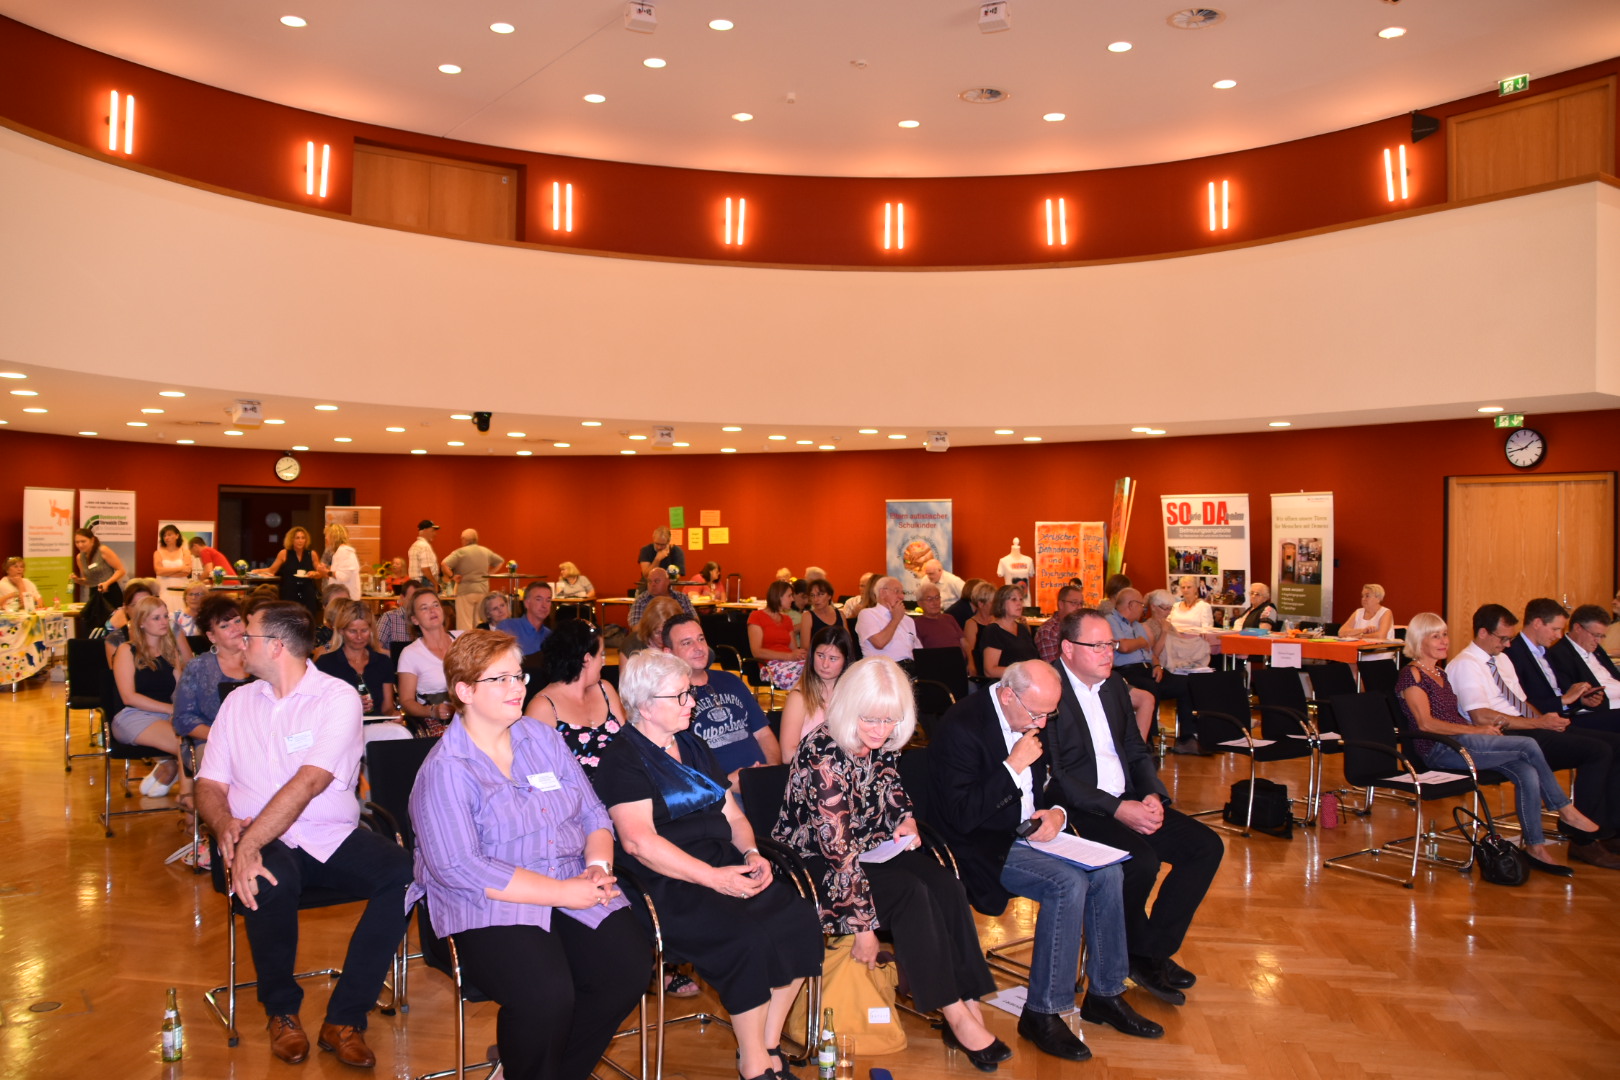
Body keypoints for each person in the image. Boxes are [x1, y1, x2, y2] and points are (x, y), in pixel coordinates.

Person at [407, 631, 651, 1080]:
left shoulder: (541, 738)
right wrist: (563, 893)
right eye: (499, 679)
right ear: (464, 691)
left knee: (627, 971)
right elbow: (461, 867)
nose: (517, 687)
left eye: (518, 676)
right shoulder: (445, 769)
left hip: (571, 878)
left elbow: (593, 811)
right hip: (488, 901)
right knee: (546, 996)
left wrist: (597, 867)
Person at [195, 601, 414, 1068]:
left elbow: (311, 782)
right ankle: (281, 1012)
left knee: (403, 874)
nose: (240, 642)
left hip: (326, 833)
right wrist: (227, 825)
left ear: (276, 646)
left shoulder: (336, 698)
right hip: (260, 837)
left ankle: (345, 1018)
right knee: (269, 879)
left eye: (248, 635)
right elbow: (208, 784)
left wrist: (250, 844)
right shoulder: (237, 703)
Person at [594, 649, 822, 1080]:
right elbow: (639, 842)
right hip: (664, 883)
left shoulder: (693, 744)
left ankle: (767, 1043)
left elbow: (731, 815)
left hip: (721, 865)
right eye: (680, 696)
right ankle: (754, 1063)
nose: (691, 703)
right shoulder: (623, 758)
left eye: (689, 693)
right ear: (645, 706)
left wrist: (751, 854)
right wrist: (714, 879)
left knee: (799, 921)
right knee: (746, 939)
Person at [774, 657, 1009, 1071]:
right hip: (812, 865)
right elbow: (838, 853)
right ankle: (954, 1013)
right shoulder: (822, 754)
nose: (881, 730)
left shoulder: (878, 740)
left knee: (946, 885)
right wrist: (863, 928)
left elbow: (891, 785)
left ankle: (970, 999)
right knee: (910, 894)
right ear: (850, 707)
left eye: (890, 720)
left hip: (865, 850)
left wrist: (905, 817)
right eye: (871, 719)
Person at [930, 661, 1161, 1062]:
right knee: (1067, 884)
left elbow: (1052, 784)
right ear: (1008, 695)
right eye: (1037, 713)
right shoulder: (961, 726)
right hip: (980, 846)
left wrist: (1057, 814)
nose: (1042, 722)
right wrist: (1011, 767)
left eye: (1047, 715)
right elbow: (962, 817)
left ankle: (1105, 993)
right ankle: (1043, 1012)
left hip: (1029, 834)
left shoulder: (1031, 714)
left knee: (1108, 872)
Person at [1045, 609, 1224, 1005]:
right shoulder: (1048, 689)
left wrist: (1153, 795)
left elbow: (1134, 749)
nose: (1108, 653)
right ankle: (1138, 953)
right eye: (1097, 646)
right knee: (1140, 862)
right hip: (1078, 810)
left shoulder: (1113, 685)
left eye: (1110, 644)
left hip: (1126, 799)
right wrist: (1117, 809)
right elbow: (1057, 777)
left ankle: (1149, 951)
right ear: (1068, 649)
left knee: (1205, 847)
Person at [1395, 611, 1610, 874]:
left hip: (1462, 741)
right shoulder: (1412, 675)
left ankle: (1535, 847)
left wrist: (1478, 731)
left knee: (1526, 770)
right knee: (1527, 745)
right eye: (1435, 636)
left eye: (1445, 635)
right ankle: (1565, 810)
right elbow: (1426, 724)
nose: (1444, 641)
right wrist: (1477, 730)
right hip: (1440, 749)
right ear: (1419, 640)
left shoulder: (1439, 672)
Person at [662, 614, 782, 785]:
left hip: (763, 780)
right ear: (669, 653)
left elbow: (764, 733)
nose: (699, 647)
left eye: (701, 639)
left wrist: (771, 769)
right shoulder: (669, 698)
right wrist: (728, 785)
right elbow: (679, 771)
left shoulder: (730, 681)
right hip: (718, 793)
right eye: (687, 643)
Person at [109, 595, 189, 797]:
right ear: (142, 623)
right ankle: (189, 799)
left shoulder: (170, 651)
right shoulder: (127, 650)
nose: (163, 622)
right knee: (186, 746)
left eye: (165, 616)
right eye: (156, 618)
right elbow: (129, 697)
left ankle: (171, 768)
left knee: (198, 737)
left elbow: (179, 691)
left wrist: (180, 711)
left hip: (165, 715)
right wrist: (171, 709)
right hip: (133, 716)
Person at [524, 619, 627, 773]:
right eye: (601, 654)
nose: (604, 662)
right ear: (587, 659)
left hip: (621, 783)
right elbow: (536, 771)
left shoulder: (605, 689)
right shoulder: (543, 707)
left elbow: (628, 744)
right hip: (572, 788)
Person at [1106, 588, 1192, 747]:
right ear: (1131, 605)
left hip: (1147, 667)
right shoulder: (1110, 621)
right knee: (1151, 687)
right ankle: (1148, 740)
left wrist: (1157, 664)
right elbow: (1123, 647)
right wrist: (1141, 642)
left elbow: (1150, 652)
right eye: (1141, 605)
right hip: (1126, 671)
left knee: (1185, 684)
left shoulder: (1138, 626)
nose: (1143, 609)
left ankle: (1187, 738)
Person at [172, 592, 251, 752]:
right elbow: (183, 719)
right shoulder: (198, 667)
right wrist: (223, 737)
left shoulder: (264, 660)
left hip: (261, 741)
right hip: (212, 742)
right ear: (211, 636)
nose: (235, 628)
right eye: (224, 626)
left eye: (237, 621)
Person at [315, 600, 399, 717]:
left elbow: (387, 708)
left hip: (377, 725)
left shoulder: (383, 662)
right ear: (341, 631)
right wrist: (349, 705)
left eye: (364, 631)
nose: (359, 637)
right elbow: (317, 706)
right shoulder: (325, 664)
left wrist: (395, 716)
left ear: (371, 630)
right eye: (353, 631)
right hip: (339, 724)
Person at [398, 588, 462, 737]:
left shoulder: (462, 639)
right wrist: (432, 711)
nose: (432, 611)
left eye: (435, 605)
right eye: (424, 608)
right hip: (438, 720)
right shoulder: (410, 654)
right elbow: (406, 701)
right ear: (415, 619)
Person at [779, 625, 853, 751]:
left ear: (845, 661)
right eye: (820, 656)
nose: (825, 664)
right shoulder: (799, 697)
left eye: (833, 659)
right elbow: (787, 753)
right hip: (809, 763)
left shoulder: (852, 696)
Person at [1549, 605, 1620, 732]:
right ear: (1578, 628)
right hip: (1596, 711)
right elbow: (1573, 697)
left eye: (1602, 636)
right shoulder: (1559, 654)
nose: (1599, 641)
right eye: (1595, 635)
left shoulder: (1596, 649)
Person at [442, 528, 504, 632]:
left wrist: (452, 576)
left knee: (464, 623)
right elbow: (500, 561)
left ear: (465, 539)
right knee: (479, 622)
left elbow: (444, 564)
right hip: (483, 590)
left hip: (465, 590)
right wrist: (490, 573)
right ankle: (479, 641)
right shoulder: (485, 551)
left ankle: (466, 642)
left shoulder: (460, 552)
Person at [748, 580, 805, 690]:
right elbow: (757, 652)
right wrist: (789, 656)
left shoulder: (787, 620)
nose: (792, 599)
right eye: (789, 596)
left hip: (789, 664)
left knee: (816, 668)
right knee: (807, 675)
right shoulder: (756, 616)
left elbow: (793, 650)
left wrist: (802, 654)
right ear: (779, 596)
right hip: (769, 666)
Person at [976, 585, 1038, 679]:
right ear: (1001, 603)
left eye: (1021, 599)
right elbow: (990, 671)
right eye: (1014, 599)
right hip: (1005, 683)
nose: (1019, 603)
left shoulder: (1022, 628)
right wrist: (1022, 672)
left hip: (1028, 680)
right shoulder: (993, 631)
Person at [855, 576, 920, 663]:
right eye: (897, 591)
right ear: (882, 593)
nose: (902, 597)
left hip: (911, 667)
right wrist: (895, 619)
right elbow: (879, 643)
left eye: (902, 592)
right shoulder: (868, 614)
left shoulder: (908, 620)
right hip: (883, 667)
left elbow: (918, 650)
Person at [73, 525, 127, 626]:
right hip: (94, 594)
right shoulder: (79, 558)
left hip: (110, 592)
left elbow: (121, 570)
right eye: (77, 542)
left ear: (92, 540)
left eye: (83, 541)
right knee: (96, 626)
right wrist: (78, 580)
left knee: (113, 625)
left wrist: (107, 583)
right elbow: (88, 580)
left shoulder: (102, 550)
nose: (80, 545)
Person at [265, 526, 324, 617]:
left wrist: (315, 574)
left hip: (307, 593)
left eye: (303, 538)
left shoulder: (312, 554)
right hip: (289, 593)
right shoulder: (284, 553)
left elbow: (320, 573)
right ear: (291, 540)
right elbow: (271, 570)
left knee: (308, 618)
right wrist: (255, 571)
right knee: (289, 618)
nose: (300, 541)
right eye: (297, 538)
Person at [1163, 577, 1214, 671]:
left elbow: (1207, 628)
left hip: (1194, 643)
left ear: (1195, 589)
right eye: (1183, 587)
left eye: (1189, 587)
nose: (1185, 590)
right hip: (1174, 641)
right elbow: (1167, 624)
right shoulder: (1175, 606)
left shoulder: (1203, 606)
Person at [496, 582, 554, 656]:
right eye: (538, 599)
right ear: (527, 603)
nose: (544, 605)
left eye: (548, 600)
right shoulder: (508, 627)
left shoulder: (550, 636)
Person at [1033, 585, 1084, 664]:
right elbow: (1053, 666)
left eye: (1081, 603)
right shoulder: (1049, 631)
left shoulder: (1081, 627)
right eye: (1074, 603)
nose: (1079, 608)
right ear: (1061, 604)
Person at [627, 568, 697, 626]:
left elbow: (695, 620)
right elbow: (635, 626)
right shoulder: (641, 600)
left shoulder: (681, 598)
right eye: (649, 581)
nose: (653, 584)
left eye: (657, 581)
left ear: (667, 582)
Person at [913, 581, 967, 653]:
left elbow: (964, 643)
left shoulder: (949, 618)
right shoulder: (916, 624)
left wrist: (970, 660)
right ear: (920, 603)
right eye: (929, 599)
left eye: (937, 597)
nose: (935, 602)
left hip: (959, 659)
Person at [961, 580, 998, 674]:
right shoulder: (971, 624)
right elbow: (970, 652)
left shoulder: (999, 621)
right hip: (980, 666)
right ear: (981, 604)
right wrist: (971, 666)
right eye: (993, 602)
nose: (996, 605)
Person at [153, 523, 191, 613]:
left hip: (181, 588)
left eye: (169, 535)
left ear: (177, 535)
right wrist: (180, 568)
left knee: (182, 612)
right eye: (164, 536)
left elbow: (187, 571)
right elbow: (158, 571)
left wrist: (166, 573)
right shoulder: (158, 553)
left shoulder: (185, 551)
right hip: (164, 588)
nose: (166, 538)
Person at [324, 523, 362, 603]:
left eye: (327, 535)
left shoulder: (344, 551)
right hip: (342, 600)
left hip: (346, 601)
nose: (326, 538)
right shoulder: (340, 552)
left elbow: (343, 576)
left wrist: (327, 572)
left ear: (334, 537)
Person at [377, 580, 420, 649]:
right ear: (402, 598)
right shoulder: (389, 618)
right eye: (412, 599)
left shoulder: (423, 619)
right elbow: (376, 648)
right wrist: (395, 654)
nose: (415, 603)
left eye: (418, 600)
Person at [799, 577, 841, 644]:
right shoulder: (807, 616)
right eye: (812, 595)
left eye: (820, 595)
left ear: (829, 596)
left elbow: (848, 640)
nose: (816, 599)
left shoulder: (840, 614)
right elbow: (805, 647)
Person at [408, 519, 441, 588]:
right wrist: (435, 583)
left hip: (414, 584)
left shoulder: (414, 546)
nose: (435, 534)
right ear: (425, 530)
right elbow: (425, 569)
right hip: (425, 583)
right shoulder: (424, 546)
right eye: (432, 531)